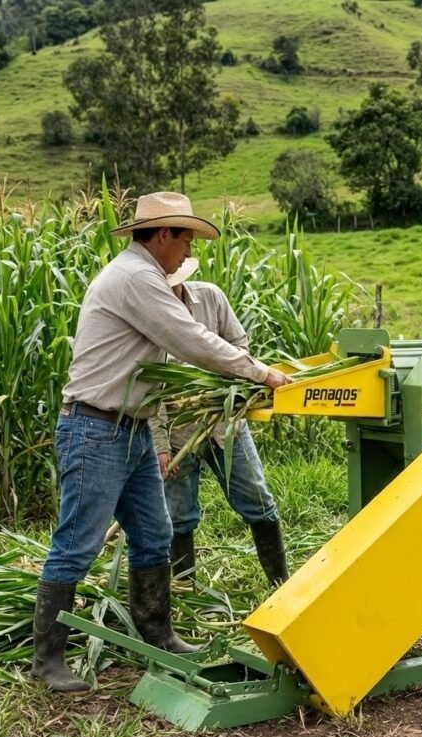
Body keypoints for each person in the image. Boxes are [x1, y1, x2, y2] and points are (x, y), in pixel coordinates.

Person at [32, 191, 292, 694]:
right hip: (96, 428)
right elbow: (189, 338)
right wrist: (259, 372)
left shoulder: (143, 274)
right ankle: (49, 660)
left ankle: (159, 633)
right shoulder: (135, 277)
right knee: (77, 545)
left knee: (154, 534)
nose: (189, 250)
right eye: (186, 237)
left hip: (130, 429)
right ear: (165, 234)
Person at [151, 259, 289, 587]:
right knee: (179, 514)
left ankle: (281, 585)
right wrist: (159, 446)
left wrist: (221, 384)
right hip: (178, 432)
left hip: (225, 425)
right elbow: (149, 388)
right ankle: (188, 591)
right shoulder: (149, 316)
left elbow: (239, 347)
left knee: (258, 500)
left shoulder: (210, 298)